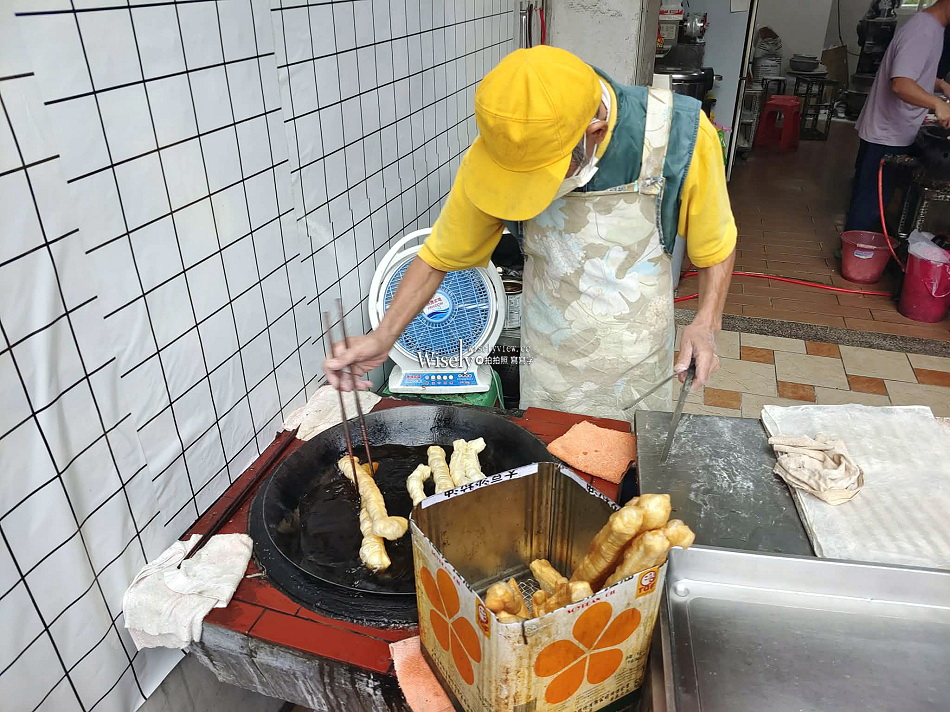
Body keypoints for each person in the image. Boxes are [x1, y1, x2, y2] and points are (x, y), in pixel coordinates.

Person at [325, 46, 736, 420]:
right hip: (549, 363)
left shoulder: (680, 134)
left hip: (637, 359)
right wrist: (383, 337)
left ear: (595, 130)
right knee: (547, 461)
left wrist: (706, 323)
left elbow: (715, 244)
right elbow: (440, 256)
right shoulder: (501, 150)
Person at [845, 0, 950, 232]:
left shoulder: (933, 28)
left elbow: (914, 70)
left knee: (874, 201)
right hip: (886, 134)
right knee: (869, 205)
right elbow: (901, 84)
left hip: (894, 129)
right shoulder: (922, 31)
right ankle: (855, 251)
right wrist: (938, 104)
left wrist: (941, 84)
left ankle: (862, 246)